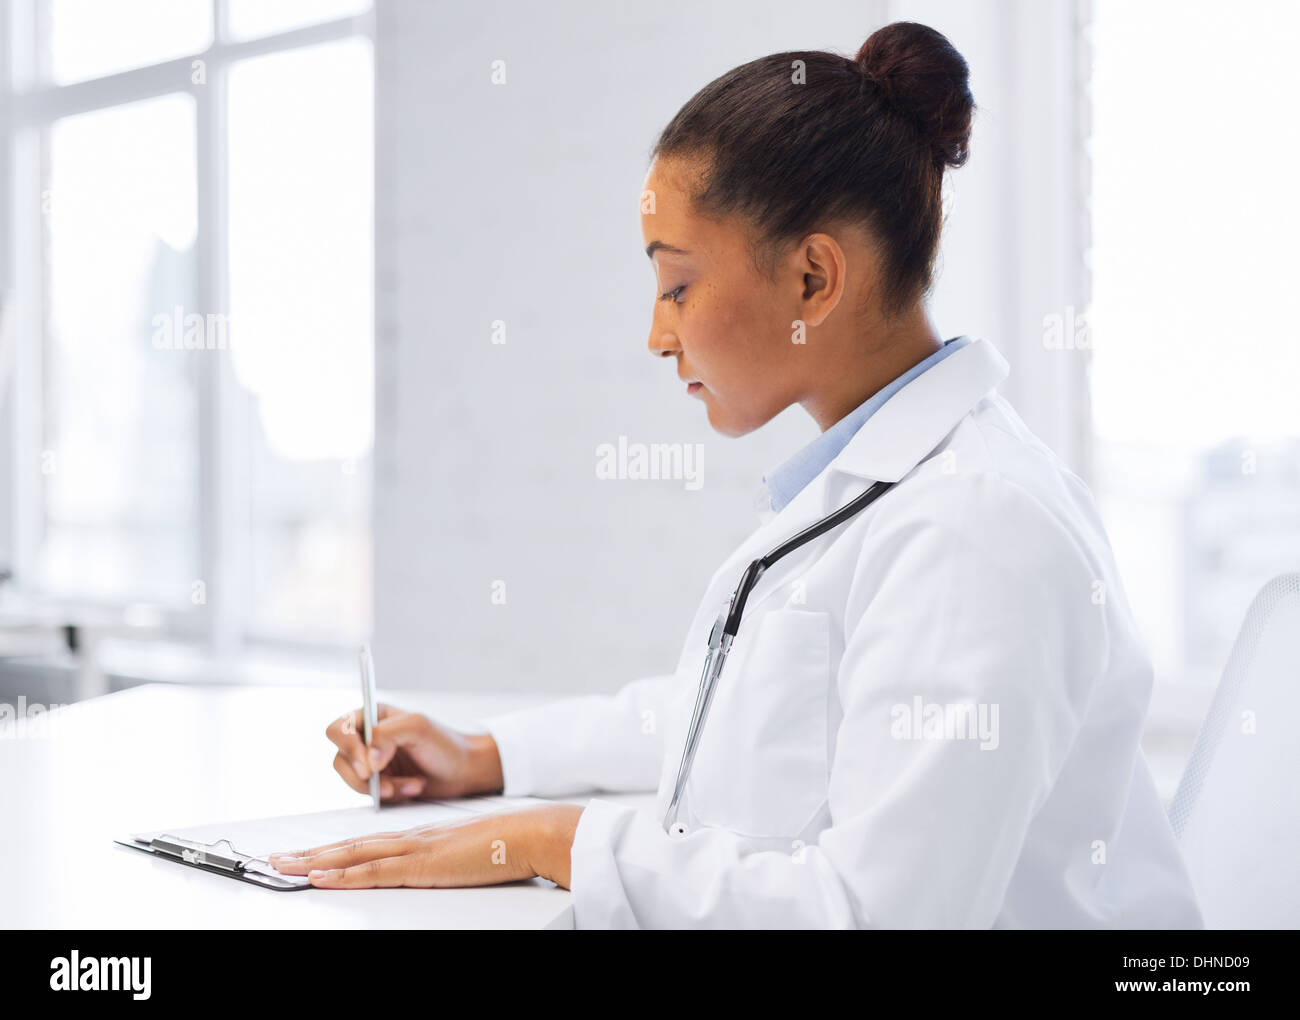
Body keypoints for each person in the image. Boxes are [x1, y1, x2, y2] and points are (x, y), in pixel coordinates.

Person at [270, 21, 1202, 929]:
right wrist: (482, 756)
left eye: (677, 285)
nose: (656, 333)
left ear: (812, 280)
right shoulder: (870, 488)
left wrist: (562, 844)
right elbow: (731, 717)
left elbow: (879, 914)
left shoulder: (976, 526)